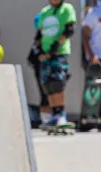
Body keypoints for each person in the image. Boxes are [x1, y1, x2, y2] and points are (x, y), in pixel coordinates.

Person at [36, 0, 77, 129]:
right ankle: (54, 114)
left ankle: (61, 114)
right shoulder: (45, 11)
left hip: (59, 51)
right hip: (45, 52)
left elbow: (69, 30)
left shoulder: (67, 9)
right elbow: (39, 33)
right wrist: (40, 51)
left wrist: (54, 48)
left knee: (57, 82)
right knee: (47, 84)